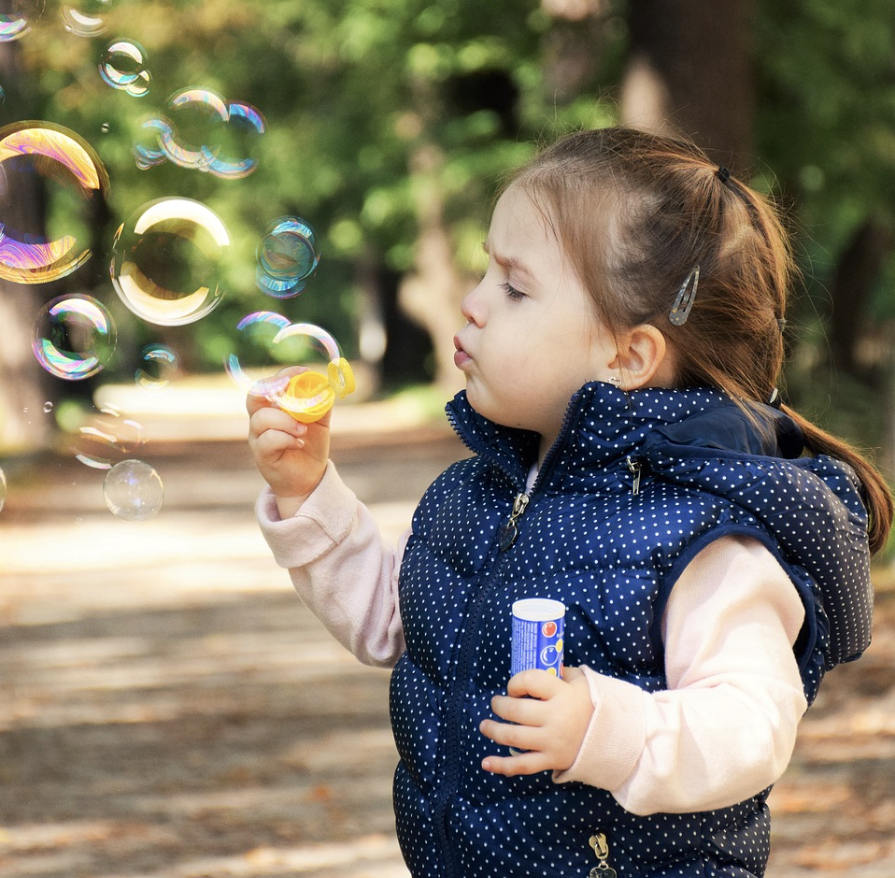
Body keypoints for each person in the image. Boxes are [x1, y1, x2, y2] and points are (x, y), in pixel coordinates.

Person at [247, 126, 894, 877]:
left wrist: (608, 729)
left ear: (627, 356)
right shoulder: (477, 492)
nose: (473, 301)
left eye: (515, 287)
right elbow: (399, 624)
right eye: (487, 273)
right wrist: (308, 494)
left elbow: (753, 722)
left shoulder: (698, 532)